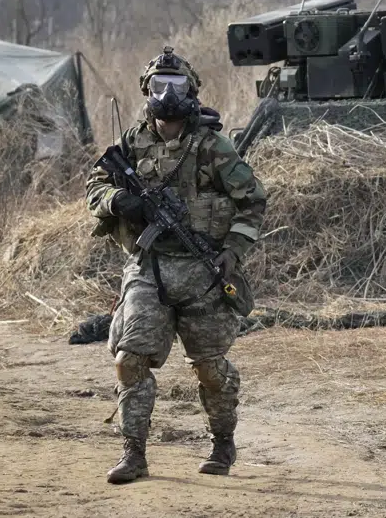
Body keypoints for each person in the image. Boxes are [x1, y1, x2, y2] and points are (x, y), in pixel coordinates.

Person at [86, 46, 267, 484]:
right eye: (160, 85)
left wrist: (233, 250)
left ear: (192, 90)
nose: (168, 94)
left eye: (178, 85)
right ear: (147, 90)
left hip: (202, 273)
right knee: (130, 358)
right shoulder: (132, 141)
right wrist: (118, 199)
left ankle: (223, 442)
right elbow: (94, 185)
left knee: (208, 366)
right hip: (149, 267)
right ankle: (134, 454)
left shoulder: (211, 146)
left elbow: (253, 200)